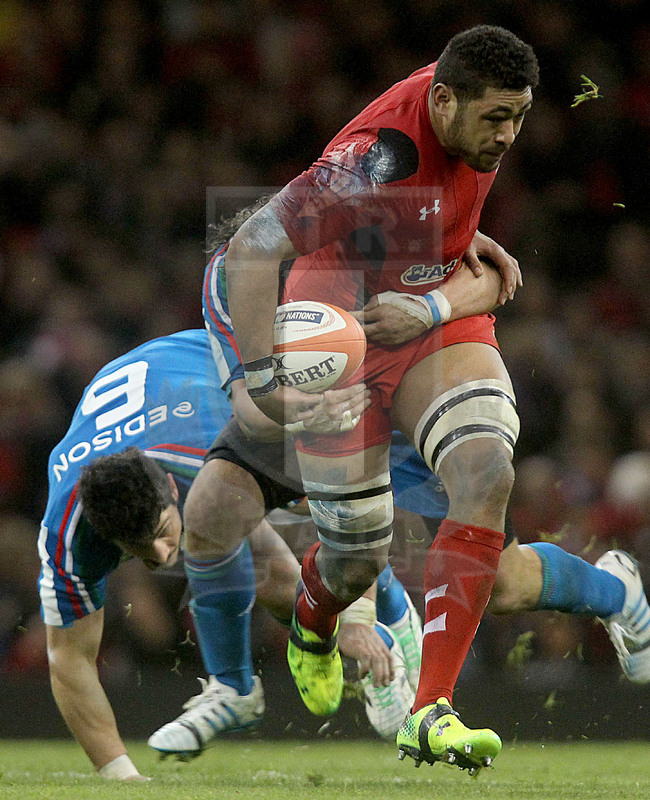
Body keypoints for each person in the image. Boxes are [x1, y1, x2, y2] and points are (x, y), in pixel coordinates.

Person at [220, 24, 650, 774]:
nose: (510, 136)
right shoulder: (379, 157)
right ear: (444, 101)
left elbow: (467, 249)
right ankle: (313, 625)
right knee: (358, 556)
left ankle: (430, 710)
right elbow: (257, 244)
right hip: (342, 330)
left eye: (519, 117)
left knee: (487, 470)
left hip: (429, 318)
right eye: (495, 119)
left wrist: (439, 300)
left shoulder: (470, 98)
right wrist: (266, 380)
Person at [38, 328, 385, 780]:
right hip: (143, 403)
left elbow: (348, 510)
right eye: (138, 549)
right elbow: (68, 660)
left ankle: (393, 635)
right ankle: (240, 685)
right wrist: (121, 777)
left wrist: (360, 617)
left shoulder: (213, 456)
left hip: (213, 369)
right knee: (258, 568)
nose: (163, 556)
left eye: (162, 533)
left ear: (169, 489)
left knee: (295, 564)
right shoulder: (67, 538)